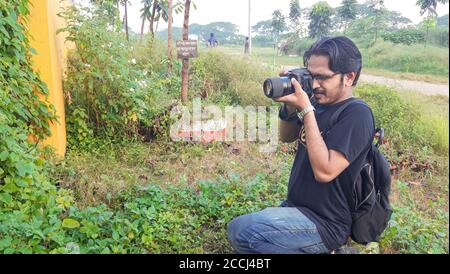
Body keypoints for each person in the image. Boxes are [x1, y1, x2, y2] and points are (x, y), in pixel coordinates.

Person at [227, 36, 374, 254]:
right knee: (239, 231)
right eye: (311, 75)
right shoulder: (316, 101)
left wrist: (306, 109)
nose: (315, 85)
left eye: (323, 78)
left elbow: (325, 171)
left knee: (244, 232)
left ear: (349, 77)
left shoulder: (357, 113)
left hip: (327, 223)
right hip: (297, 207)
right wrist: (289, 106)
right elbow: (287, 136)